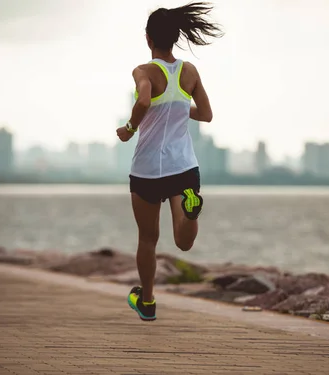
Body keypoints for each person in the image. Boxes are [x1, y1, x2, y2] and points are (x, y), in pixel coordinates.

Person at [116, 2, 223, 321]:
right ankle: (191, 209)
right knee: (183, 241)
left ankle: (147, 302)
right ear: (175, 37)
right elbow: (205, 114)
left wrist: (130, 128)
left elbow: (145, 99)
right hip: (183, 167)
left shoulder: (144, 71)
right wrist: (176, 107)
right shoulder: (189, 72)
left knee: (148, 239)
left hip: (147, 170)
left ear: (148, 39)